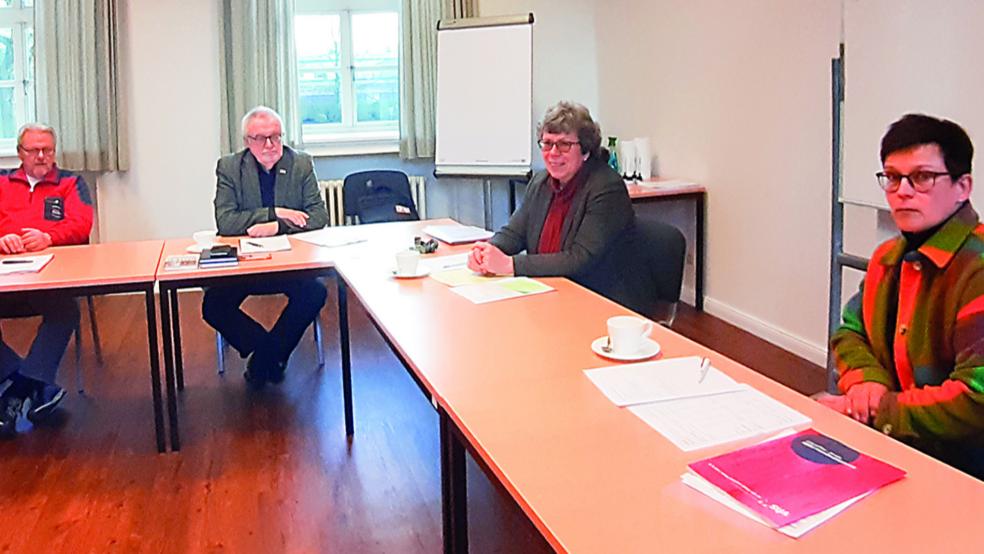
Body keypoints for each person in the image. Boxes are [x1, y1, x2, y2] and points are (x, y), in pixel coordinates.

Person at [820, 113, 984, 479]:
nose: (902, 191)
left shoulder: (978, 267)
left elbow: (977, 398)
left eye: (922, 177)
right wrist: (865, 381)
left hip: (961, 469)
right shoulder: (888, 257)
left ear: (963, 186)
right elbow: (850, 332)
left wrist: (879, 408)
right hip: (894, 445)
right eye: (892, 177)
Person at [203, 106, 328, 387]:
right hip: (245, 266)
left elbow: (319, 217)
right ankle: (270, 353)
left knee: (315, 293)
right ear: (247, 141)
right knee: (213, 305)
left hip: (288, 263)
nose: (270, 145)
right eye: (261, 138)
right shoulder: (230, 167)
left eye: (275, 136)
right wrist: (277, 212)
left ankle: (263, 361)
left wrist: (277, 226)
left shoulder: (301, 164)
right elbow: (226, 222)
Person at [468, 101, 634, 299]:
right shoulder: (541, 181)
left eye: (564, 144)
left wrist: (509, 265)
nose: (553, 153)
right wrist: (488, 251)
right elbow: (514, 233)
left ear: (586, 150)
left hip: (595, 295)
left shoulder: (606, 187)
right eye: (547, 143)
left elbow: (580, 259)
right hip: (546, 288)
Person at [0, 123, 94, 437]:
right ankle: (28, 380)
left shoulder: (70, 182)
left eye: (48, 150)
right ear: (19, 153)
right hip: (8, 275)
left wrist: (49, 236)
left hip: (52, 274)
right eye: (34, 150)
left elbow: (81, 225)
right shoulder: (2, 181)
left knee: (65, 311)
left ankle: (17, 389)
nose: (42, 156)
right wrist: (2, 239)